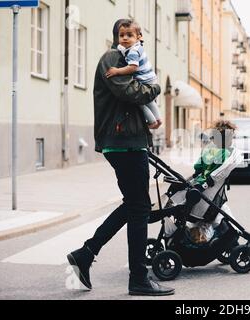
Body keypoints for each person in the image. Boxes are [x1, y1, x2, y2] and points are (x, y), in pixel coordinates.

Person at [67, 19, 174, 297]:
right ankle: (138, 279)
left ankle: (86, 254)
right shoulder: (112, 59)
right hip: (123, 142)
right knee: (139, 207)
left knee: (135, 204)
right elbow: (129, 92)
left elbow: (130, 101)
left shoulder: (126, 59)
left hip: (129, 140)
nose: (127, 39)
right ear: (117, 37)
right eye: (122, 35)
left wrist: (147, 120)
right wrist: (155, 88)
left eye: (131, 36)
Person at [105, 19, 162, 130]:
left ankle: (152, 121)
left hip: (144, 80)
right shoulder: (137, 46)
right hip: (150, 79)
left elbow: (132, 68)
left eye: (129, 35)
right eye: (121, 35)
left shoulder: (132, 52)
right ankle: (158, 119)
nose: (125, 38)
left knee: (140, 102)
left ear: (138, 37)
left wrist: (117, 71)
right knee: (149, 101)